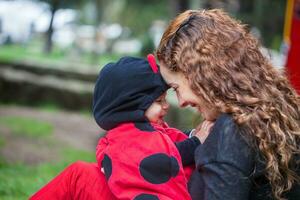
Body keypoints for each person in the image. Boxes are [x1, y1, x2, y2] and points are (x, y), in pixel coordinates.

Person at [156, 9, 300, 200]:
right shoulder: (275, 110)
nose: (181, 102)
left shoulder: (230, 131)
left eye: (176, 87)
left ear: (200, 74)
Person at [30, 55, 213, 200]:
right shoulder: (129, 134)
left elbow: (167, 142)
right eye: (158, 101)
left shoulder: (145, 129)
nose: (166, 106)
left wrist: (191, 135)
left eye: (164, 99)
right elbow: (163, 156)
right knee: (79, 174)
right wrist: (196, 142)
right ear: (132, 105)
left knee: (78, 174)